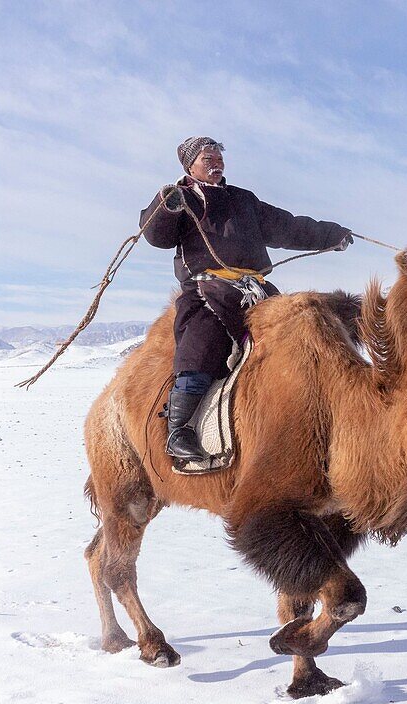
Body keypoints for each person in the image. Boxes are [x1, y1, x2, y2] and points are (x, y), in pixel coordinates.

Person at [139, 136, 351, 462]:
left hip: (257, 291)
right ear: (189, 165)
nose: (215, 162)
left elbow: (288, 227)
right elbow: (157, 235)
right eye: (207, 158)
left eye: (218, 157)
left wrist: (330, 235)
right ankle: (179, 430)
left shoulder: (244, 200)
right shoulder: (181, 198)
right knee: (203, 340)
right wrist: (166, 206)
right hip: (209, 291)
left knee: (302, 328)